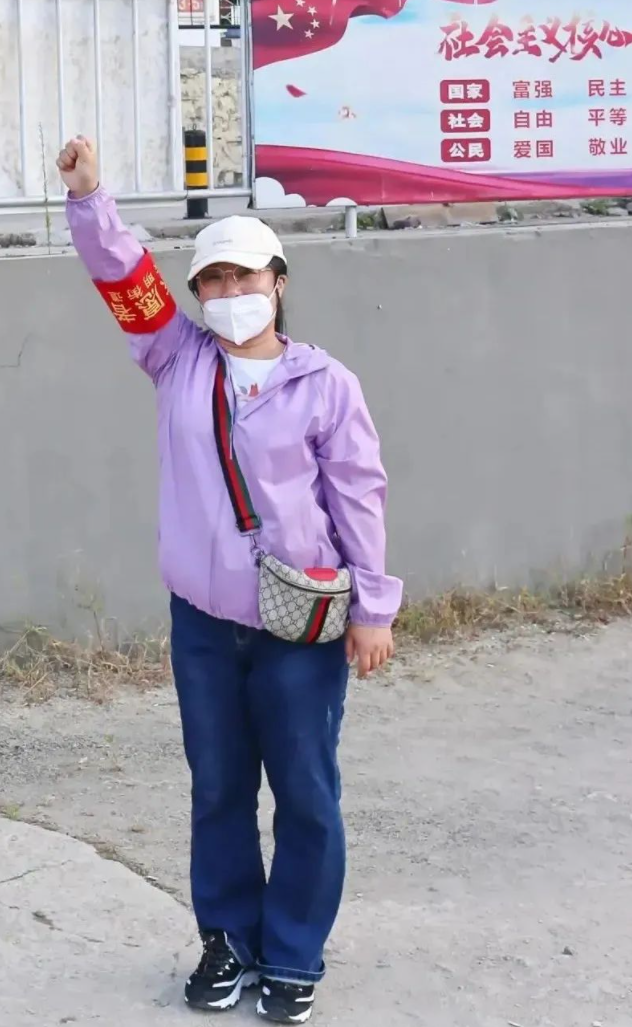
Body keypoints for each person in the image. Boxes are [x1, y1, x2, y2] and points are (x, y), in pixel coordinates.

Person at [58, 136, 403, 1025]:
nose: (227, 293)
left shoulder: (325, 384)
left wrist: (373, 607)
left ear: (277, 282)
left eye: (243, 276)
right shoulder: (175, 357)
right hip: (205, 624)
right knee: (217, 788)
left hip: (300, 629)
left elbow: (358, 496)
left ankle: (291, 954)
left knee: (305, 794)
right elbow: (122, 274)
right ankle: (228, 942)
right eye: (211, 280)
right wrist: (91, 198)